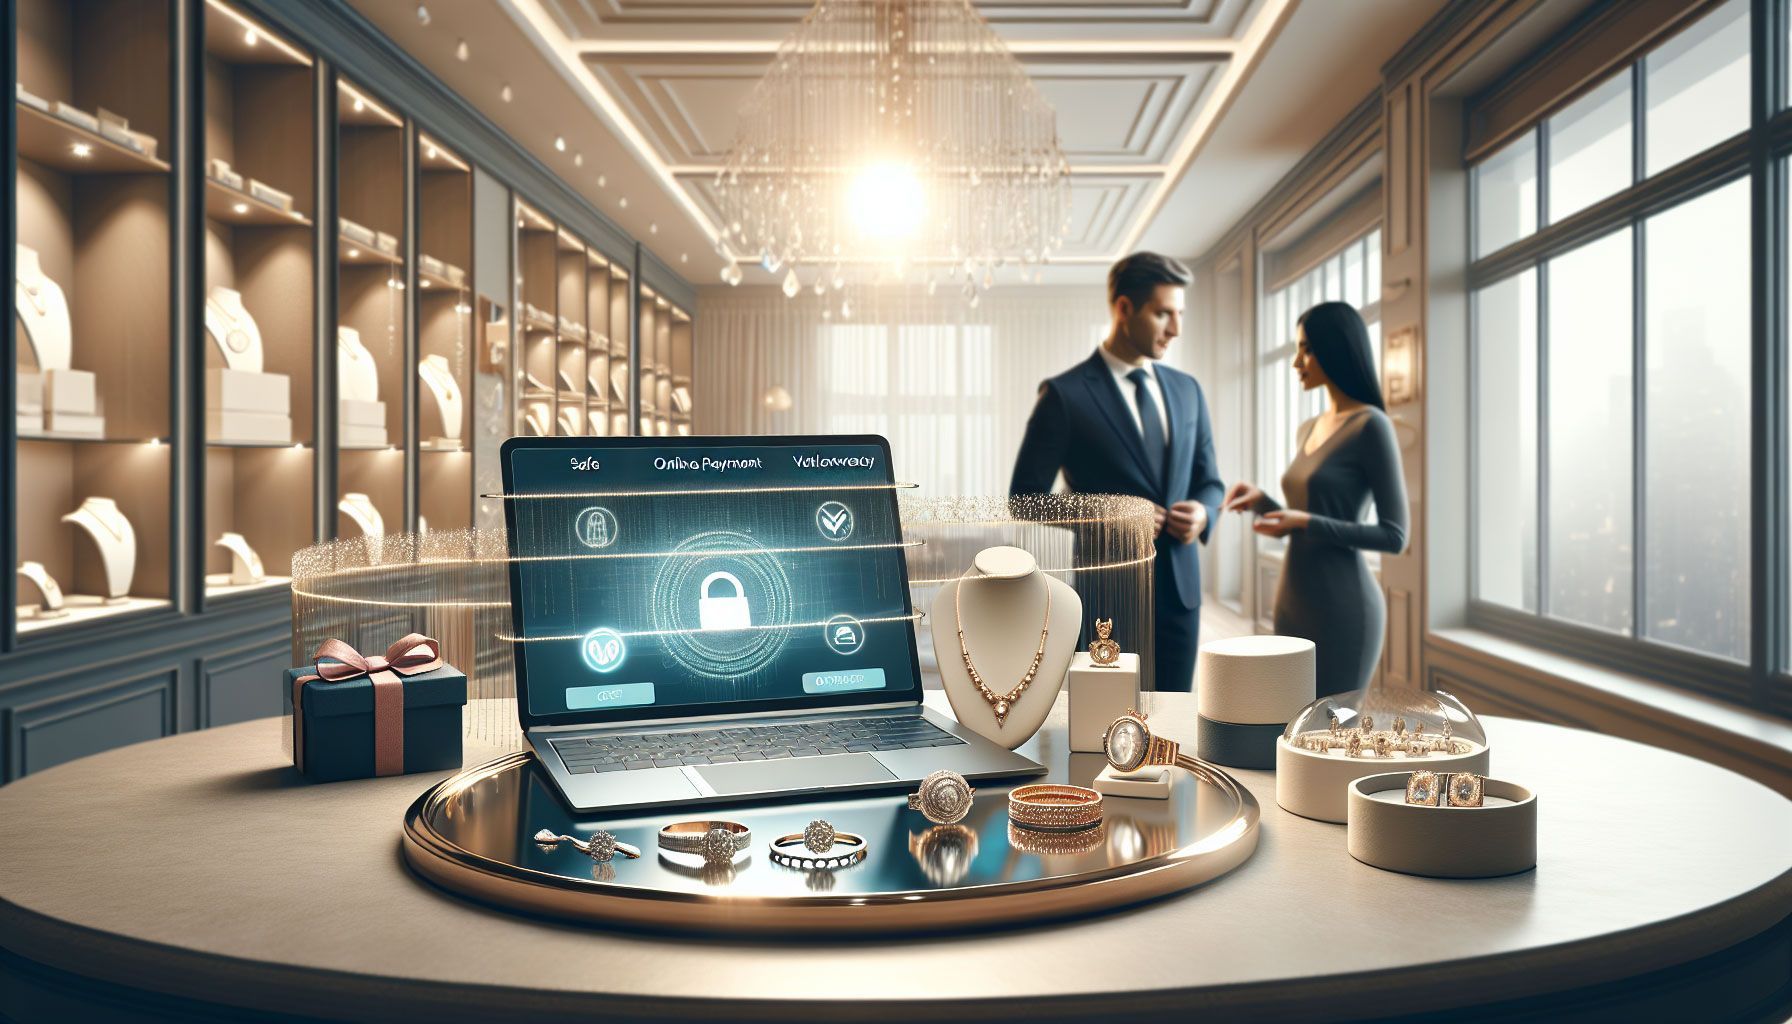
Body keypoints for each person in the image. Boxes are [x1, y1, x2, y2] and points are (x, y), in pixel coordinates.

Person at [1010, 252, 1223, 693]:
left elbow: (1210, 480)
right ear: (1124, 308)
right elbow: (1024, 498)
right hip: (1108, 596)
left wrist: (1204, 512)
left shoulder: (1188, 392)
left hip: (1181, 594)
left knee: (1176, 719)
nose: (1176, 328)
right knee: (1105, 724)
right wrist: (1114, 512)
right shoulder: (1064, 396)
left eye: (1179, 314)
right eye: (1163, 313)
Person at [1221, 301, 1408, 696]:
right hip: (1293, 600)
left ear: (1335, 349)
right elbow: (1305, 519)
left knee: (1334, 731)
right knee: (1291, 727)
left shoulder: (1372, 426)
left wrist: (1303, 521)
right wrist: (1263, 502)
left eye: (1306, 348)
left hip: (1344, 609)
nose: (1296, 362)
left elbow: (1394, 536)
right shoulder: (1308, 429)